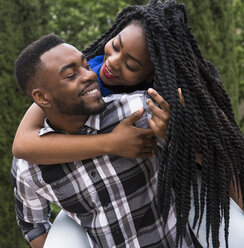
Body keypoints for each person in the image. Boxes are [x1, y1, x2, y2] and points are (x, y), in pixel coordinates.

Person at [12, 1, 244, 247]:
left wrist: (174, 134)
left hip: (181, 195)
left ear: (152, 75)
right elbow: (23, 145)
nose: (108, 64)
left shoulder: (149, 106)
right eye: (115, 47)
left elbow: (224, 152)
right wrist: (111, 142)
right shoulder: (92, 68)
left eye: (131, 65)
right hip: (90, 219)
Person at [11, 34, 198, 248]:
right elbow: (33, 226)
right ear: (42, 98)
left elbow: (204, 162)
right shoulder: (28, 166)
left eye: (86, 65)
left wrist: (176, 129)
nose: (90, 75)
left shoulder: (139, 112)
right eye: (71, 75)